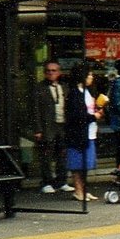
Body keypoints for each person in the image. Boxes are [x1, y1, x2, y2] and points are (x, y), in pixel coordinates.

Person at [31, 60, 74, 194]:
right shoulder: (39, 88)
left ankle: (62, 181)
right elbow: (35, 110)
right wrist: (37, 129)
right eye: (48, 71)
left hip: (62, 124)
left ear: (59, 72)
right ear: (44, 73)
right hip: (47, 126)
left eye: (54, 70)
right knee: (46, 155)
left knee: (62, 154)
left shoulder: (65, 87)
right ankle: (47, 182)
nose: (51, 73)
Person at [63, 61, 101, 203]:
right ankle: (78, 191)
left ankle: (84, 190)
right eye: (89, 75)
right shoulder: (74, 93)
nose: (91, 77)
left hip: (89, 132)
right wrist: (93, 117)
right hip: (78, 133)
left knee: (85, 164)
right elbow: (76, 115)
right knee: (77, 164)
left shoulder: (86, 92)